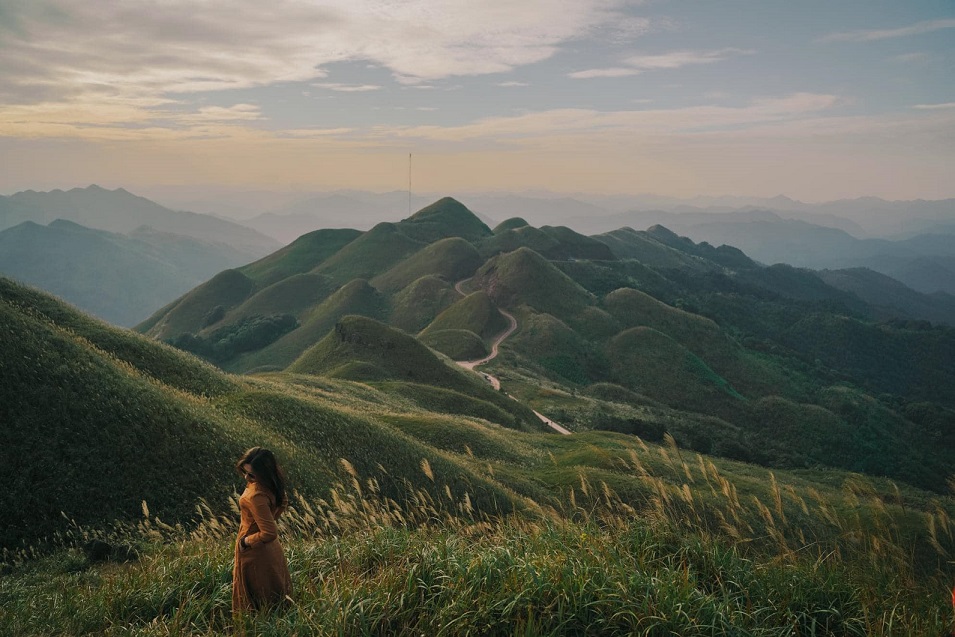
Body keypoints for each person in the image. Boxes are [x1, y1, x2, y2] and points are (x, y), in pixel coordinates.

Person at [232, 447, 292, 614]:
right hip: (271, 549)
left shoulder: (256, 495)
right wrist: (269, 519)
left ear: (263, 474)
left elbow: (270, 532)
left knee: (256, 602)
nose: (246, 477)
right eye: (245, 472)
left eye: (251, 475)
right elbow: (283, 502)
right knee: (274, 596)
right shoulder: (272, 486)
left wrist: (245, 541)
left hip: (255, 552)